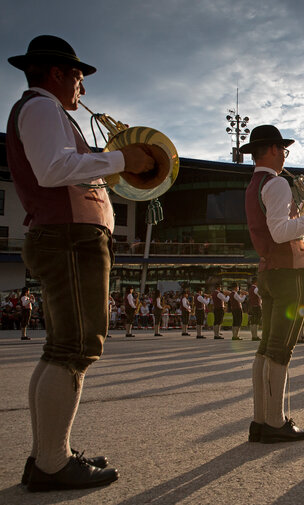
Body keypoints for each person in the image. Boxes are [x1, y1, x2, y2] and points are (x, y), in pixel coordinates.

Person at [7, 35, 160, 491]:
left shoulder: (45, 111)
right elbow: (53, 169)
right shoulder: (41, 108)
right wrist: (120, 158)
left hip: (68, 235)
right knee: (75, 348)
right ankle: (53, 463)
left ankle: (49, 455)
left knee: (61, 348)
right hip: (69, 236)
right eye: (77, 76)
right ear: (56, 73)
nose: (82, 89)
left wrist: (108, 162)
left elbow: (60, 166)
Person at [243, 124, 304, 443]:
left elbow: (272, 229)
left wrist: (303, 213)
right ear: (272, 150)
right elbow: (281, 231)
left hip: (270, 271)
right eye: (283, 151)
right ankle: (275, 421)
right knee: (280, 349)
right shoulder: (276, 184)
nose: (284, 157)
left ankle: (261, 421)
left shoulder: (254, 183)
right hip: (290, 272)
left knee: (266, 347)